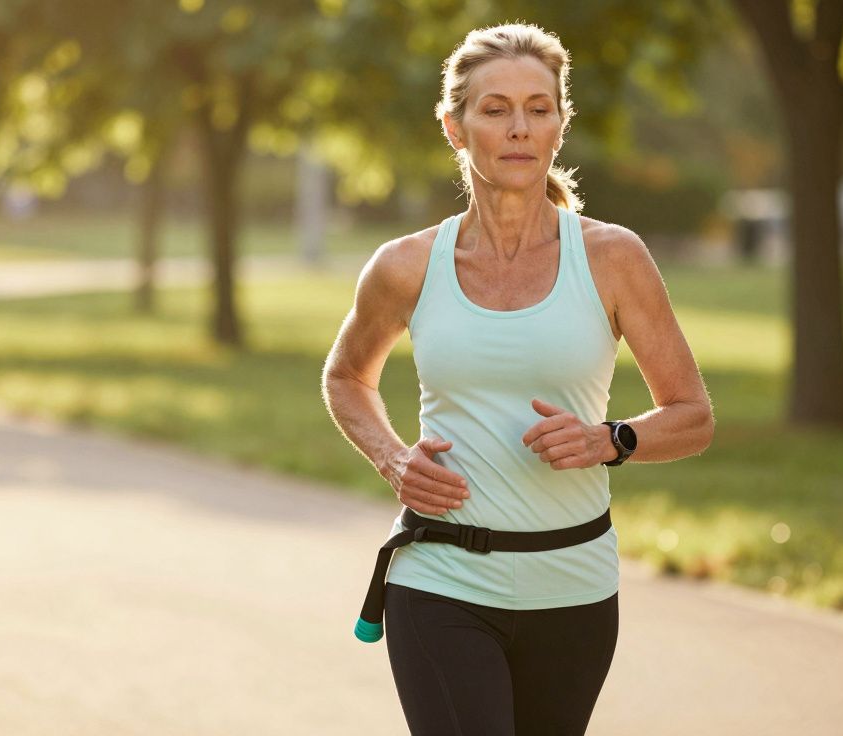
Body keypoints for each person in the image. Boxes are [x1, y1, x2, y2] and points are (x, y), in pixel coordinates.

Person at [321, 22, 715, 736]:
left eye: (539, 108)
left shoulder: (612, 258)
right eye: (495, 109)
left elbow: (691, 414)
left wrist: (611, 439)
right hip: (440, 578)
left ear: (561, 126)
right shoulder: (406, 265)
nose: (519, 128)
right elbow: (347, 375)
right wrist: (391, 457)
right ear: (454, 125)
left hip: (574, 586)